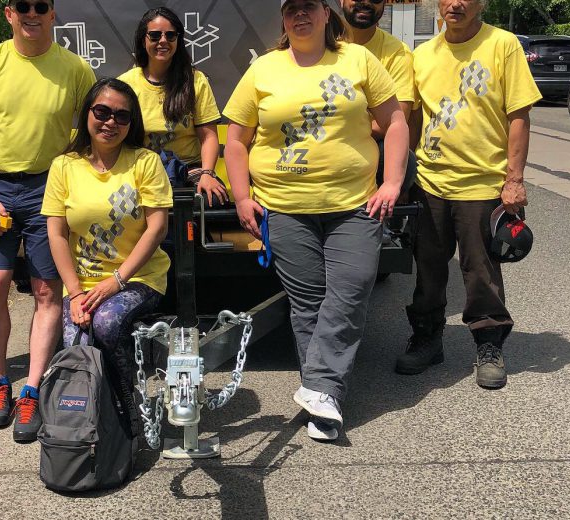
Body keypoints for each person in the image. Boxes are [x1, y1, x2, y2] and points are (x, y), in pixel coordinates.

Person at [223, 0, 408, 441]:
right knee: (308, 302)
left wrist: (393, 183)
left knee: (352, 287)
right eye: (292, 10)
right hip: (285, 206)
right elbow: (235, 140)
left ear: (327, 14)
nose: (300, 15)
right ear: (285, 19)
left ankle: (319, 386)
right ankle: (325, 403)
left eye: (309, 7)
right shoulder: (263, 70)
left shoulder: (358, 59)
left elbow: (395, 122)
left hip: (354, 204)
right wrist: (242, 197)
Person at [0, 0, 96, 442]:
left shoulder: (75, 69)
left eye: (41, 6)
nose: (32, 13)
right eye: (24, 6)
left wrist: (70, 180)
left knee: (45, 289)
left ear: (53, 13)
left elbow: (90, 130)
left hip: (48, 188)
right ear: (9, 13)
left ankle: (32, 388)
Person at [397, 0, 541, 389]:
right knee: (428, 268)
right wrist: (401, 175)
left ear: (482, 3)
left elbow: (519, 116)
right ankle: (427, 338)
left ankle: (489, 343)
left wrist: (514, 179)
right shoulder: (422, 54)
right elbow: (411, 119)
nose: (455, 3)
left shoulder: (503, 44)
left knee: (480, 271)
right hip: (429, 182)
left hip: (482, 183)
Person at [42, 77, 172, 439]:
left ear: (132, 124)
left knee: (107, 324)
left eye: (122, 116)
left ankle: (127, 404)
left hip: (138, 278)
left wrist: (116, 281)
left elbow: (156, 228)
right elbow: (56, 234)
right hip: (82, 283)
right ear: (87, 114)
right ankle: (82, 420)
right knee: (72, 342)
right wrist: (75, 292)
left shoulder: (144, 162)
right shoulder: (64, 166)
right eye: (102, 112)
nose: (110, 122)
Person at [118, 7, 227, 206]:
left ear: (178, 40)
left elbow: (209, 136)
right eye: (154, 35)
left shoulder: (195, 80)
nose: (163, 41)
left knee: (213, 199)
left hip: (189, 169)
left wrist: (207, 174)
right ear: (144, 40)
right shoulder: (126, 84)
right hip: (143, 168)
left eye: (170, 35)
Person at [341, 0, 417, 193]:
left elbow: (396, 119)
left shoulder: (397, 52)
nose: (365, 2)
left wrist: (338, 131)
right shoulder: (319, 42)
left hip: (368, 148)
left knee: (403, 158)